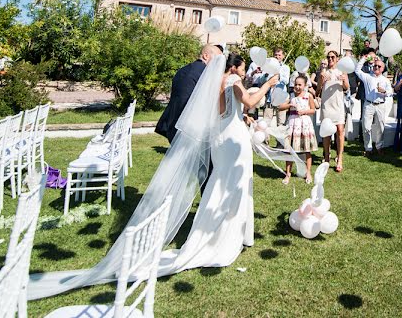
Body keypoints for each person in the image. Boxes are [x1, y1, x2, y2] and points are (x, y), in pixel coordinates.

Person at [29, 53, 302, 299]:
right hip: (233, 143)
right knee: (236, 185)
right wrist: (267, 85)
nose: (243, 72)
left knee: (219, 184)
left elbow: (228, 113)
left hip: (220, 139)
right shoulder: (232, 80)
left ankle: (217, 230)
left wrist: (245, 118)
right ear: (234, 67)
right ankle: (228, 236)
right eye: (241, 68)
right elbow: (252, 101)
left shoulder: (211, 85)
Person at [155, 44, 222, 142]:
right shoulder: (204, 74)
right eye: (217, 58)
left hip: (173, 120)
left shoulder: (184, 69)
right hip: (188, 125)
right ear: (206, 56)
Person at [279, 76, 318, 184]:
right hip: (293, 123)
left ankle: (308, 172)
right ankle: (288, 173)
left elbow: (313, 110)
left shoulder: (308, 96)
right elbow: (280, 107)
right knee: (290, 149)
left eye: (300, 84)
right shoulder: (291, 95)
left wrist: (304, 111)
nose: (297, 87)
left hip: (304, 124)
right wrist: (289, 104)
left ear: (305, 85)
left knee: (307, 150)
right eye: (296, 84)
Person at [317, 50, 349, 172]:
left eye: (332, 57)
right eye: (328, 57)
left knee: (340, 131)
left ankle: (339, 158)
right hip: (327, 105)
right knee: (326, 133)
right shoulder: (324, 72)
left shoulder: (341, 71)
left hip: (338, 105)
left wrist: (344, 80)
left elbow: (346, 88)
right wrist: (321, 79)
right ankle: (326, 157)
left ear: (337, 59)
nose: (330, 59)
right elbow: (318, 90)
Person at [356, 52, 392, 155]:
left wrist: (384, 92)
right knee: (366, 127)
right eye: (375, 65)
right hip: (369, 104)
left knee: (381, 127)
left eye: (379, 66)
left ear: (382, 69)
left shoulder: (385, 80)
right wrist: (364, 58)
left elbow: (391, 92)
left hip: (380, 105)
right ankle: (368, 149)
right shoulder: (367, 77)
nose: (376, 67)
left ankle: (379, 146)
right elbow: (357, 70)